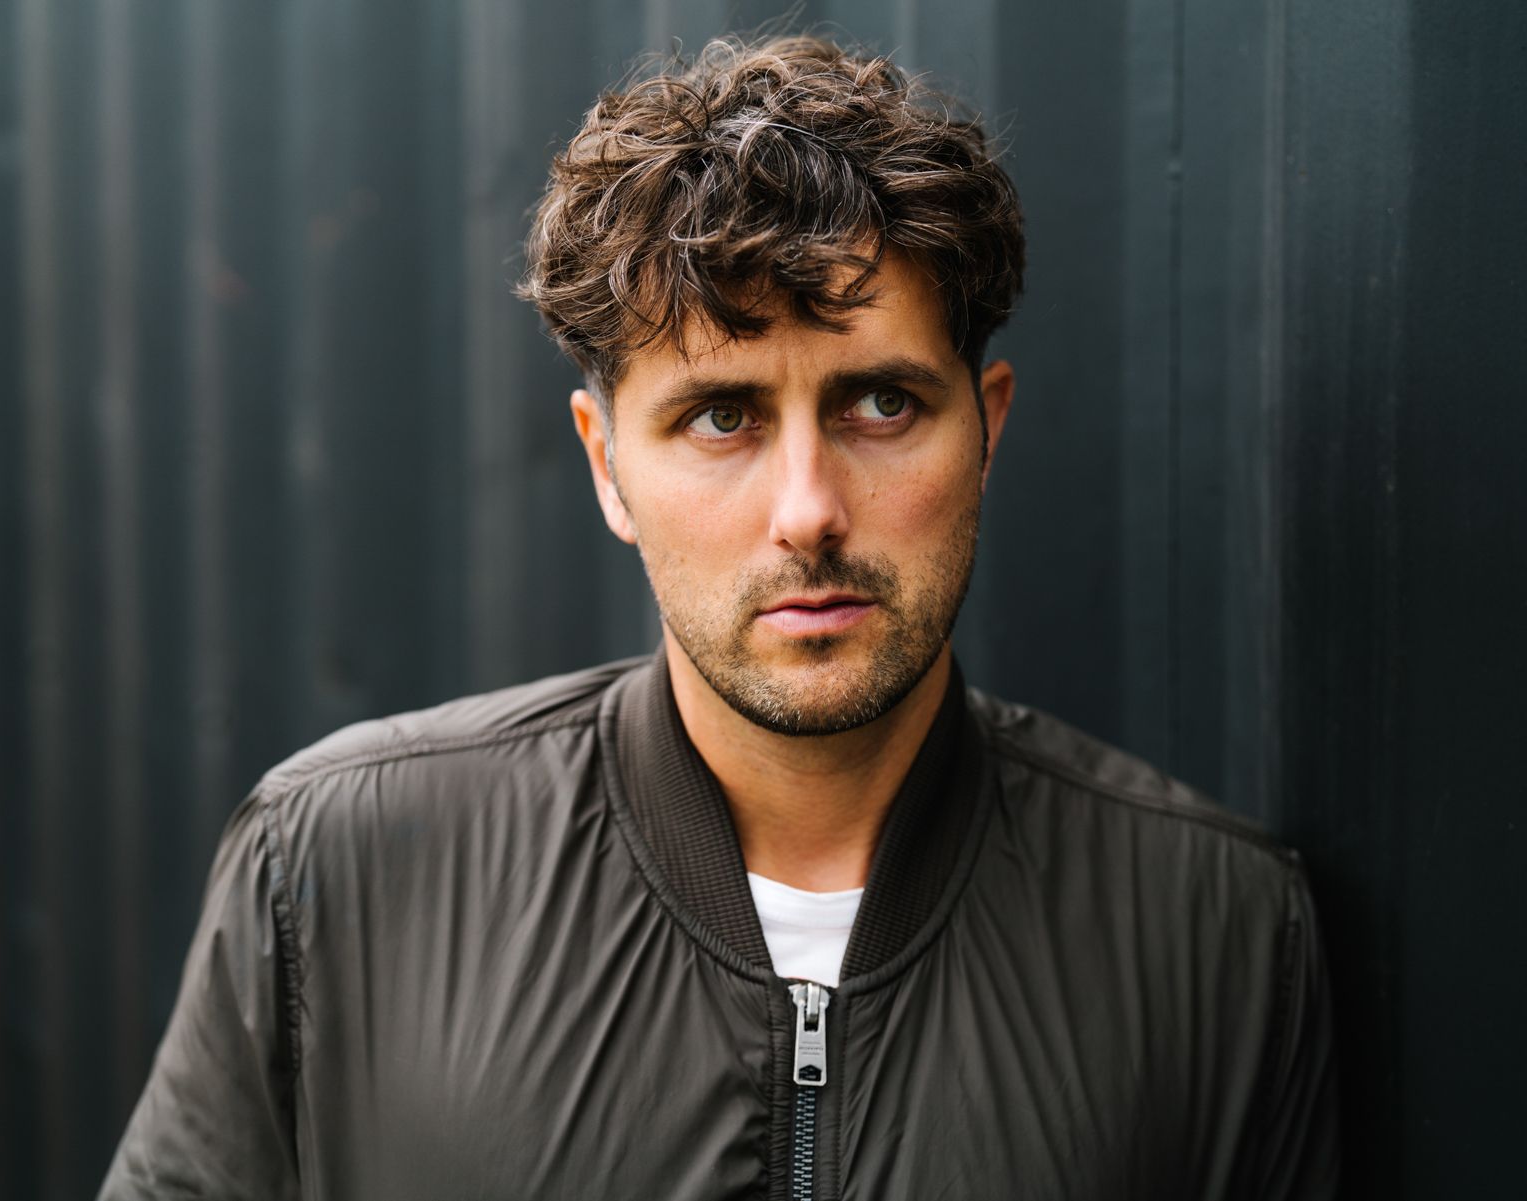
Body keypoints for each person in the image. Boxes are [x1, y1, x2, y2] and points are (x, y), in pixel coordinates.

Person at [99, 34, 1336, 1200]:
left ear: (987, 426)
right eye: (721, 418)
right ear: (606, 467)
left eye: (882, 405)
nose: (808, 511)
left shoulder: (1214, 933)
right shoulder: (337, 869)